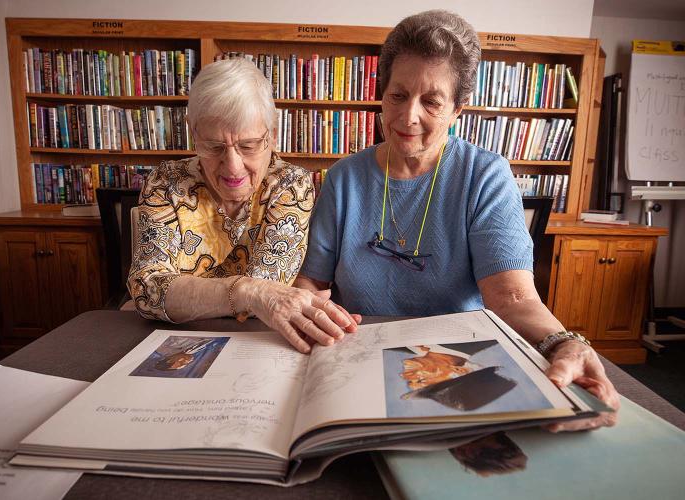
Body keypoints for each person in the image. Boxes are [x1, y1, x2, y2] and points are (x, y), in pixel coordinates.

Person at [295, 9, 619, 431]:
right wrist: (309, 316)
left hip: (456, 365)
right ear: (381, 95)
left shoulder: (485, 175)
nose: (408, 116)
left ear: (457, 110)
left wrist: (563, 342)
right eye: (398, 95)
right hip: (357, 359)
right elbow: (312, 284)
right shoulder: (343, 178)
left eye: (431, 101)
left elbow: (513, 298)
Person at [127, 58, 357, 353]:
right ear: (193, 133)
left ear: (272, 135)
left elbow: (268, 295)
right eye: (214, 146)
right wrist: (251, 291)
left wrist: (179, 297)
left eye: (248, 146)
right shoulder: (165, 183)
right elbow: (148, 291)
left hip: (255, 344)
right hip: (175, 344)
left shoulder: (291, 185)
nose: (233, 167)